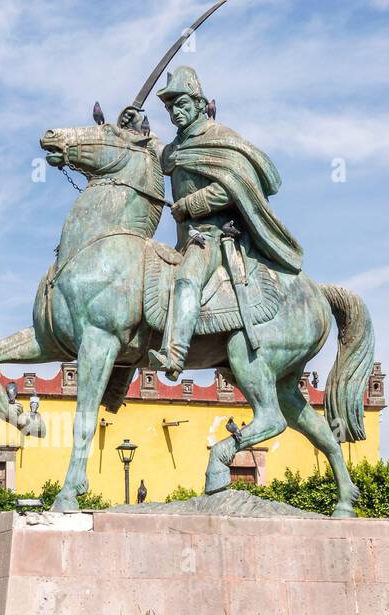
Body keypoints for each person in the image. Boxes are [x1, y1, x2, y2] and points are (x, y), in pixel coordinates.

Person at [145, 65, 303, 380]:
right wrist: (144, 135)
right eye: (171, 108)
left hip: (214, 236)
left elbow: (235, 184)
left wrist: (191, 204)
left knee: (187, 279)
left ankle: (174, 355)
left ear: (200, 105)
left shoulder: (219, 136)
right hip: (186, 238)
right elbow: (166, 158)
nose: (176, 113)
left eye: (182, 105)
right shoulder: (179, 146)